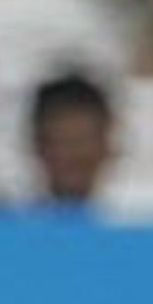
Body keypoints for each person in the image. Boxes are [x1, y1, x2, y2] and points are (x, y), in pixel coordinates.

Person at [27, 69, 117, 205]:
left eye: (82, 141)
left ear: (106, 145)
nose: (72, 156)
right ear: (38, 146)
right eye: (62, 142)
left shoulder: (136, 219)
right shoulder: (2, 220)